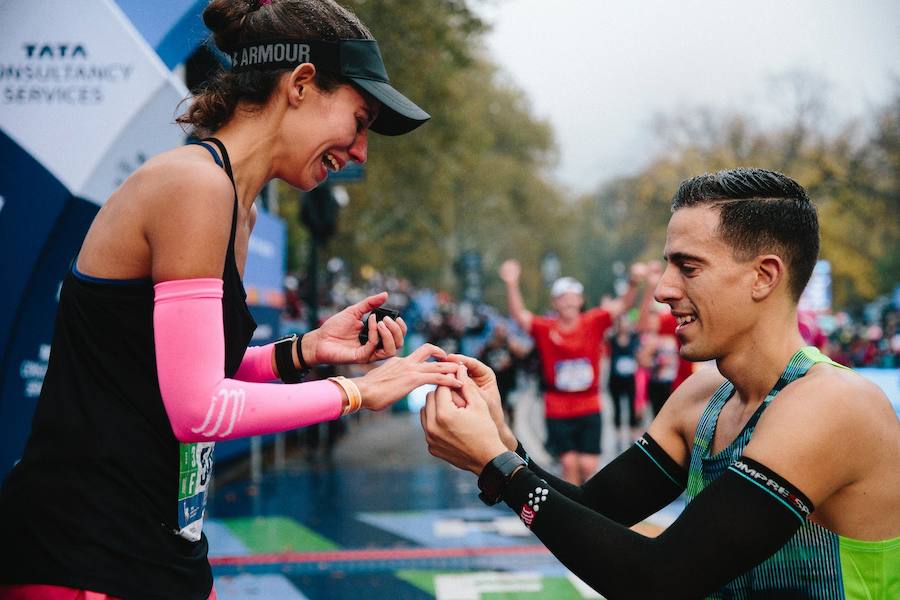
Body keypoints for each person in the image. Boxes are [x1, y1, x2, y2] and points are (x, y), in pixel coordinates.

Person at [0, 2, 460, 599]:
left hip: (157, 548)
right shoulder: (194, 186)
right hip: (83, 553)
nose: (361, 152)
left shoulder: (233, 205)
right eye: (360, 119)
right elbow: (197, 408)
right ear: (300, 84)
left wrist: (303, 353)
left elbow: (174, 369)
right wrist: (357, 391)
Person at [423, 168, 900, 599]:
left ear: (764, 276)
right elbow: (595, 512)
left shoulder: (833, 404)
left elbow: (659, 580)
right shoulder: (703, 394)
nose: (663, 290)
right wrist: (502, 444)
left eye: (688, 267)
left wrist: (500, 468)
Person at [499, 260, 640, 484]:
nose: (568, 302)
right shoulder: (546, 328)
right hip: (558, 406)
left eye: (573, 296)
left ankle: (589, 507)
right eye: (563, 297)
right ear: (555, 303)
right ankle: (575, 510)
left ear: (581, 300)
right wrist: (511, 283)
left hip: (589, 403)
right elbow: (519, 315)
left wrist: (633, 283)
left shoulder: (593, 321)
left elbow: (622, 306)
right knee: (569, 464)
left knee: (588, 465)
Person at [606, 314, 641, 450]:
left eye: (626, 323)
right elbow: (605, 333)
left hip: (630, 379)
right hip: (615, 379)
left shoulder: (634, 338)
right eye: (621, 323)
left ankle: (632, 437)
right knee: (617, 409)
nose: (624, 326)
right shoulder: (612, 338)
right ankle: (619, 438)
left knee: (632, 408)